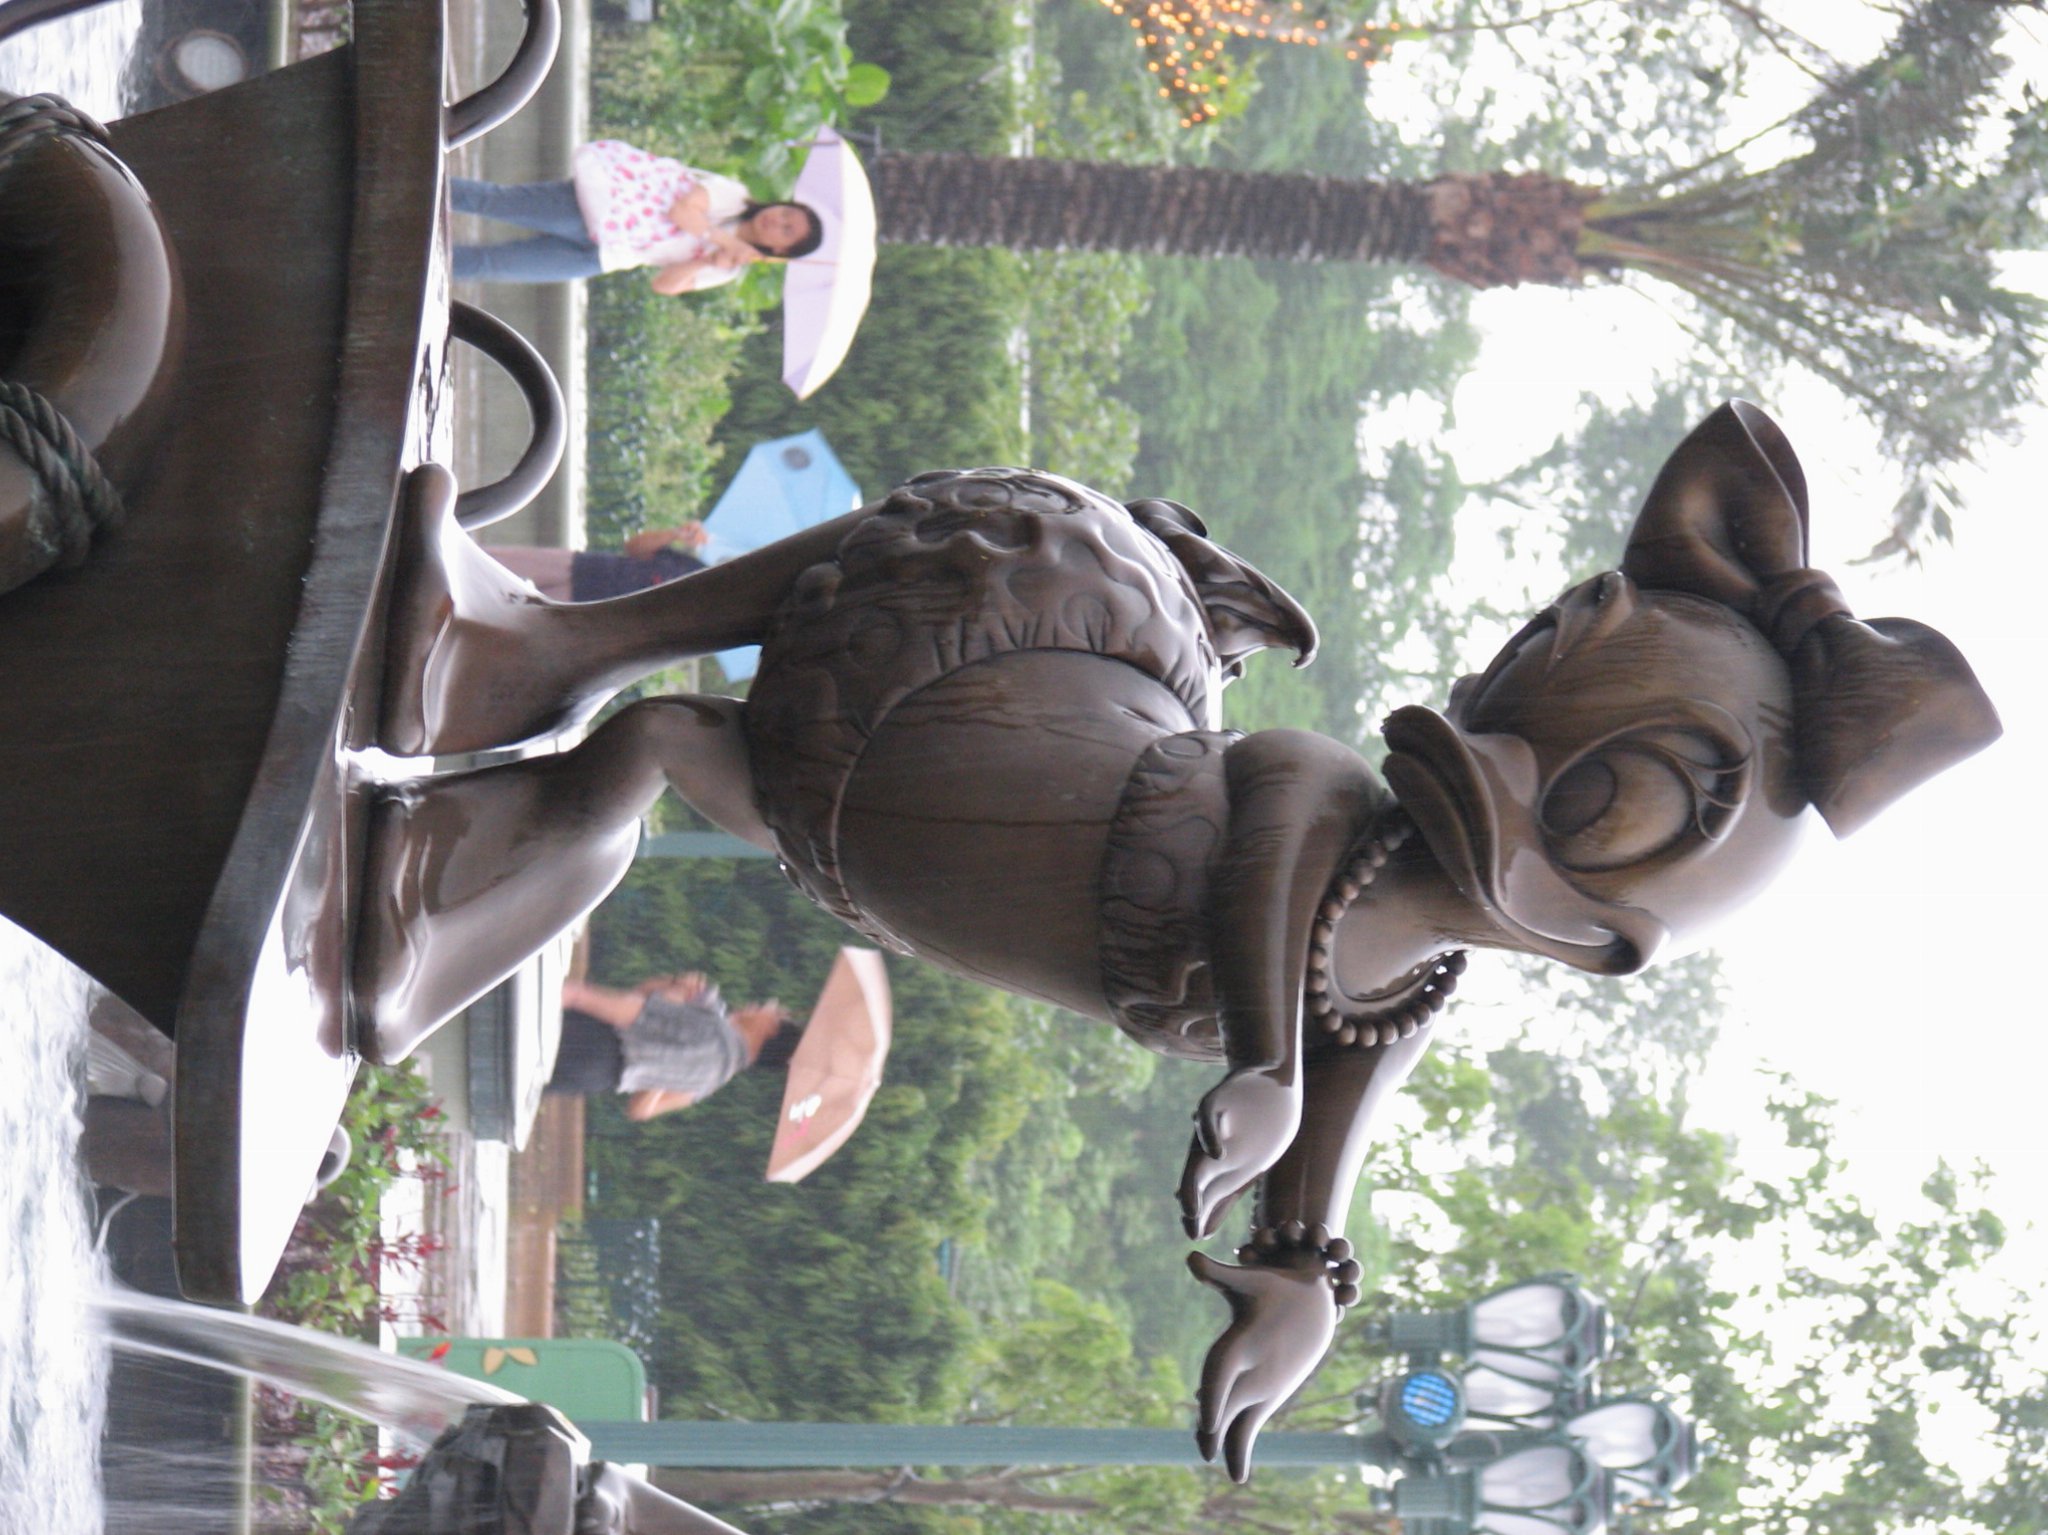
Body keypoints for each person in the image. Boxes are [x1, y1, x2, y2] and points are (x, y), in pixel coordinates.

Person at [452, 139, 824, 291]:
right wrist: (724, 239)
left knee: (490, 266)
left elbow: (664, 285)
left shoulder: (728, 270)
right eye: (786, 213)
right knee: (491, 202)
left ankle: (418, 264)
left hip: (603, 256)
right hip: (590, 209)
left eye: (787, 230)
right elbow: (683, 212)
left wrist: (709, 261)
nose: (777, 220)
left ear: (781, 251)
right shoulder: (734, 197)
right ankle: (419, 183)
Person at [548, 971, 799, 1121]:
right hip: (592, 1078)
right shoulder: (711, 1082)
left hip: (590, 1039)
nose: (769, 1005)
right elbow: (639, 1111)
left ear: (771, 1028)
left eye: (776, 1012)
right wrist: (666, 1065)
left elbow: (631, 1010)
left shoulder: (713, 1026)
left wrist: (576, 995)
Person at [488, 520, 710, 604]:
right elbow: (634, 547)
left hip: (586, 605)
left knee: (504, 612)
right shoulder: (695, 569)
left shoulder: (695, 616)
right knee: (497, 562)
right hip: (586, 566)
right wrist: (676, 534)